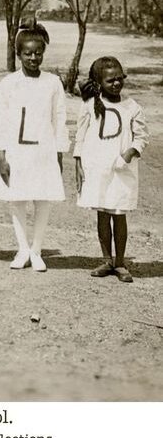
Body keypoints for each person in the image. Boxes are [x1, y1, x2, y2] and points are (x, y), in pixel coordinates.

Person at [0, 19, 68, 273]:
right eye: (28, 53)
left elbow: (59, 118)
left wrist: (59, 153)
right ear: (19, 54)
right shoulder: (9, 83)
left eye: (38, 53)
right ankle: (22, 249)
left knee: (42, 199)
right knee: (17, 198)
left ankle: (37, 249)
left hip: (43, 151)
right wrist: (0, 155)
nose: (33, 58)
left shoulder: (52, 82)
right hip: (16, 152)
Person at [74, 56, 149, 283]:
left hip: (122, 171)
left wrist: (128, 154)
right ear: (99, 84)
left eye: (119, 79)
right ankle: (107, 259)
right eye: (110, 81)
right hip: (97, 169)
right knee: (103, 214)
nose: (116, 84)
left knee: (119, 214)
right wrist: (78, 164)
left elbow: (142, 137)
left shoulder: (132, 107)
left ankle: (120, 262)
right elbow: (80, 136)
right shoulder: (89, 106)